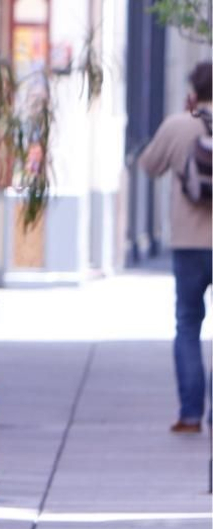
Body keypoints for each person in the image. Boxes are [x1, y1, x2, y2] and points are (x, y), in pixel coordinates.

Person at [138, 60, 213, 434]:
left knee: (187, 324)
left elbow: (148, 165)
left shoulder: (178, 126)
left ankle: (190, 415)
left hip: (188, 243)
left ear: (193, 92)